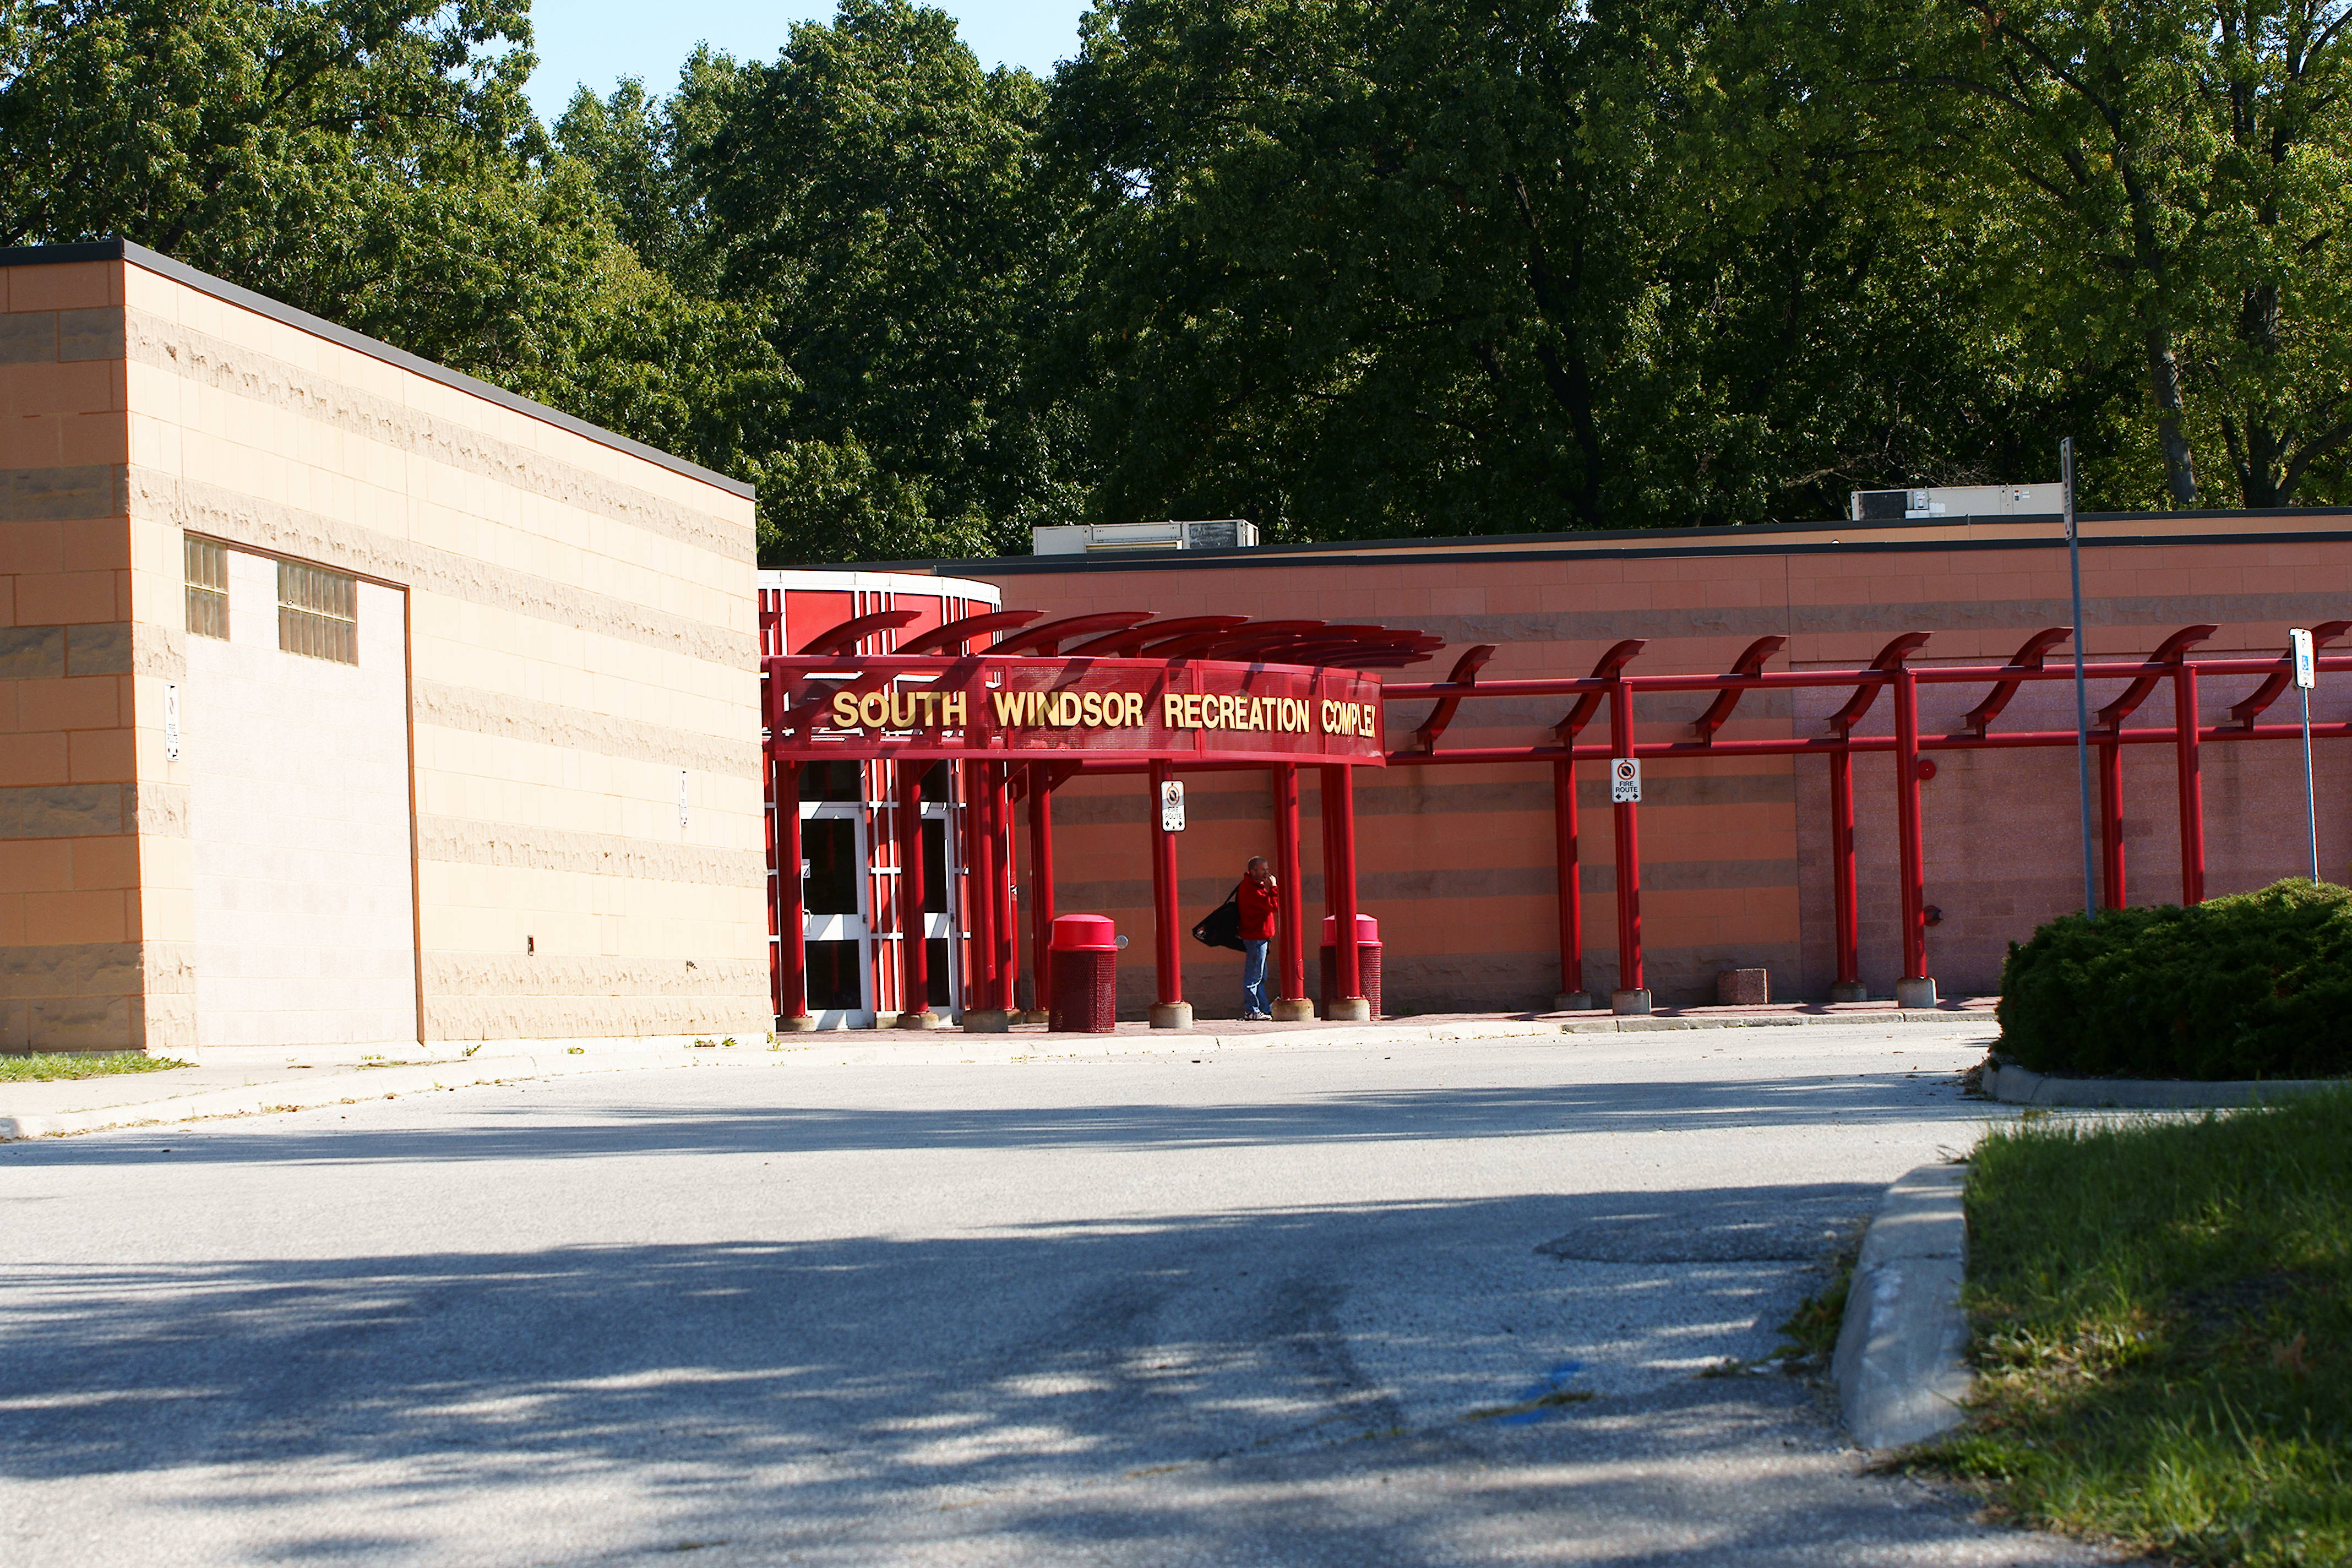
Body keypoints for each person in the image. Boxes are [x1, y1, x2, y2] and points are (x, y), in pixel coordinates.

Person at [1238, 856, 1280, 1020]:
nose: (1266, 873)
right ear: (1253, 871)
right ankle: (1251, 1010)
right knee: (1254, 977)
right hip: (1256, 938)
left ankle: (1263, 1009)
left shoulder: (1256, 886)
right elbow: (1274, 906)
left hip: (1261, 938)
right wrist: (1274, 888)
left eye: (1267, 869)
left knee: (1261, 976)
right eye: (1263, 869)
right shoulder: (1252, 889)